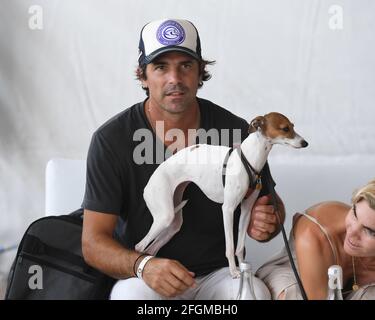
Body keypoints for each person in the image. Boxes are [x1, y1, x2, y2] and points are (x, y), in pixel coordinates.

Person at [81, 18, 285, 300]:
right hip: (146, 275)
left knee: (253, 294)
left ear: (201, 72)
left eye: (185, 66)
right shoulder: (112, 139)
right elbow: (92, 243)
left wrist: (267, 223)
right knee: (130, 298)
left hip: (220, 273)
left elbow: (271, 205)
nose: (174, 79)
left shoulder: (238, 131)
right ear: (143, 75)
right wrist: (143, 265)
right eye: (161, 67)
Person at [256, 178, 375, 300]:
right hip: (293, 277)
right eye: (355, 214)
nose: (352, 232)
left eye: (370, 231)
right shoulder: (315, 232)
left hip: (346, 292)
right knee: (294, 295)